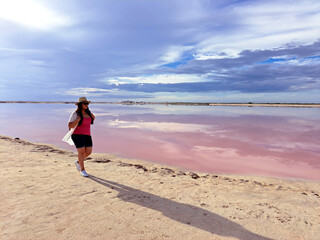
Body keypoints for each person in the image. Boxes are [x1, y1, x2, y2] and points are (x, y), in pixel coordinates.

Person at [68, 97, 95, 177]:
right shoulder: (75, 114)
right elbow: (70, 126)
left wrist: (93, 118)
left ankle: (78, 162)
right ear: (80, 104)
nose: (87, 105)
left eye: (87, 103)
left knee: (89, 152)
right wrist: (77, 121)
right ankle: (82, 170)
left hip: (87, 135)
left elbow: (88, 124)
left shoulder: (89, 113)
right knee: (81, 152)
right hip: (77, 135)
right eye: (85, 103)